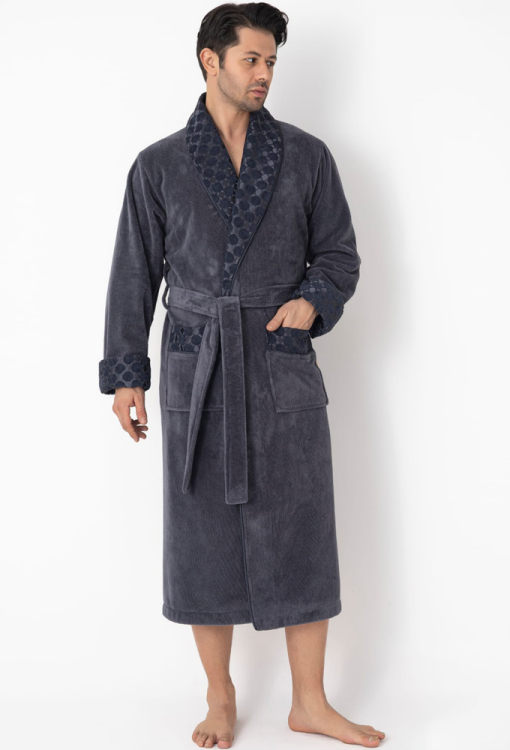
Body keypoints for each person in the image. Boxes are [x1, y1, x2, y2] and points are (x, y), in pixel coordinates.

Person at [99, 2, 384, 747]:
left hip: (278, 358)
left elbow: (339, 254)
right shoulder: (158, 165)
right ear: (211, 60)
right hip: (197, 362)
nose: (264, 74)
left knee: (301, 525)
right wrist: (128, 375)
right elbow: (134, 275)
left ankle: (310, 702)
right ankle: (219, 695)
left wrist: (310, 304)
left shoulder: (306, 156)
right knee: (203, 532)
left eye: (271, 62)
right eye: (251, 59)